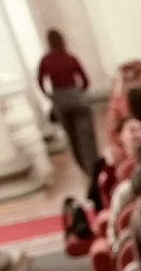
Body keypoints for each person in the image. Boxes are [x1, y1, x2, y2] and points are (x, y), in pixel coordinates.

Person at [36, 29, 98, 178]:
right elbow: (85, 80)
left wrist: (49, 95)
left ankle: (85, 170)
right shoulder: (70, 57)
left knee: (72, 137)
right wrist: (79, 91)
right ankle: (94, 168)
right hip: (75, 96)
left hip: (59, 99)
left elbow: (40, 80)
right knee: (86, 137)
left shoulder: (46, 60)